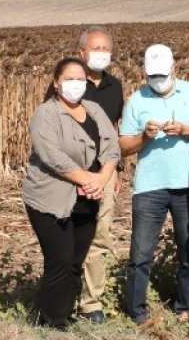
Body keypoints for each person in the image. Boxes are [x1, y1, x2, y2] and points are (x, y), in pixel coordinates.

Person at [23, 57, 120, 328]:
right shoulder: (46, 114)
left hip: (88, 197)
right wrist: (87, 179)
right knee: (61, 260)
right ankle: (52, 320)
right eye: (69, 79)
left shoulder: (94, 109)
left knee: (76, 260)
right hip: (50, 198)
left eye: (80, 79)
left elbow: (112, 146)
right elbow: (51, 155)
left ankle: (66, 311)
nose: (75, 84)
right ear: (56, 83)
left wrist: (102, 178)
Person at [119, 44, 189, 325]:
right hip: (149, 187)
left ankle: (187, 309)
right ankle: (136, 313)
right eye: (152, 76)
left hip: (188, 184)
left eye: (161, 74)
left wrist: (186, 130)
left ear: (173, 68)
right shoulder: (136, 100)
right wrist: (144, 137)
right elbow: (123, 146)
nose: (157, 80)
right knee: (140, 254)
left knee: (188, 251)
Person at [42, 26, 125, 324]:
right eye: (95, 48)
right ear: (81, 52)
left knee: (100, 235)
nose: (101, 54)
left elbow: (113, 131)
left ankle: (92, 303)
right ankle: (62, 301)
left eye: (105, 49)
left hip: (104, 172)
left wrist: (115, 172)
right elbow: (51, 130)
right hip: (72, 173)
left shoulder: (115, 87)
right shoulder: (69, 84)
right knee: (69, 239)